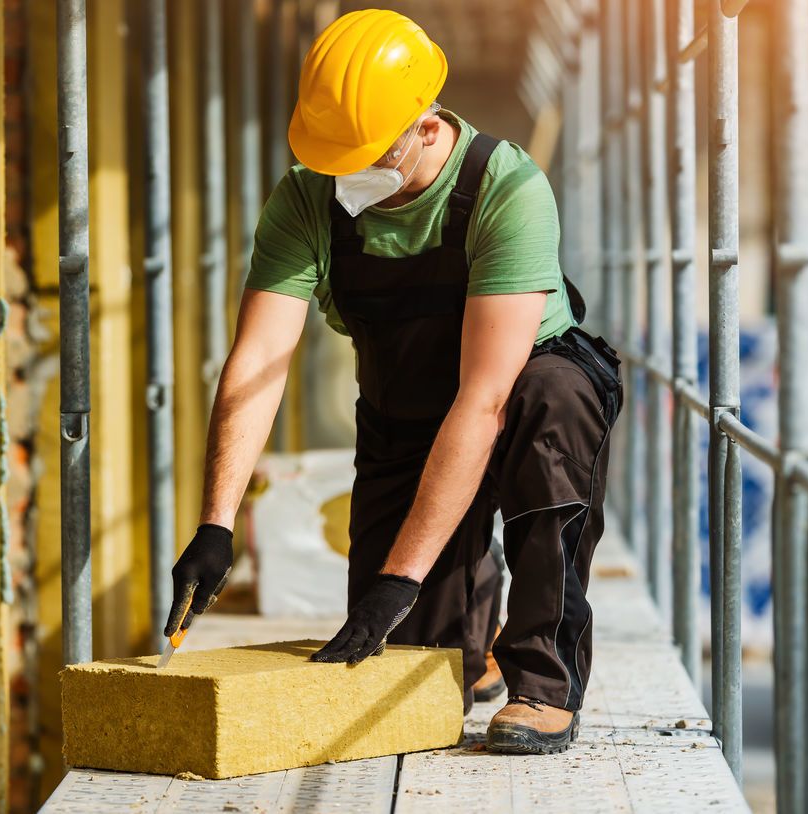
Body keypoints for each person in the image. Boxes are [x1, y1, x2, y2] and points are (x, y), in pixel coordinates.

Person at [163, 8, 622, 755]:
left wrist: (400, 577)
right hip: (405, 404)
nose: (346, 173)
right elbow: (255, 364)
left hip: (514, 389)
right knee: (405, 658)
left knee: (553, 405)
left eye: (364, 154)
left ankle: (542, 680)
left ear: (427, 124)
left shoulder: (506, 188)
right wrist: (217, 524)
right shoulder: (309, 199)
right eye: (333, 155)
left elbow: (485, 398)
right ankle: (467, 642)